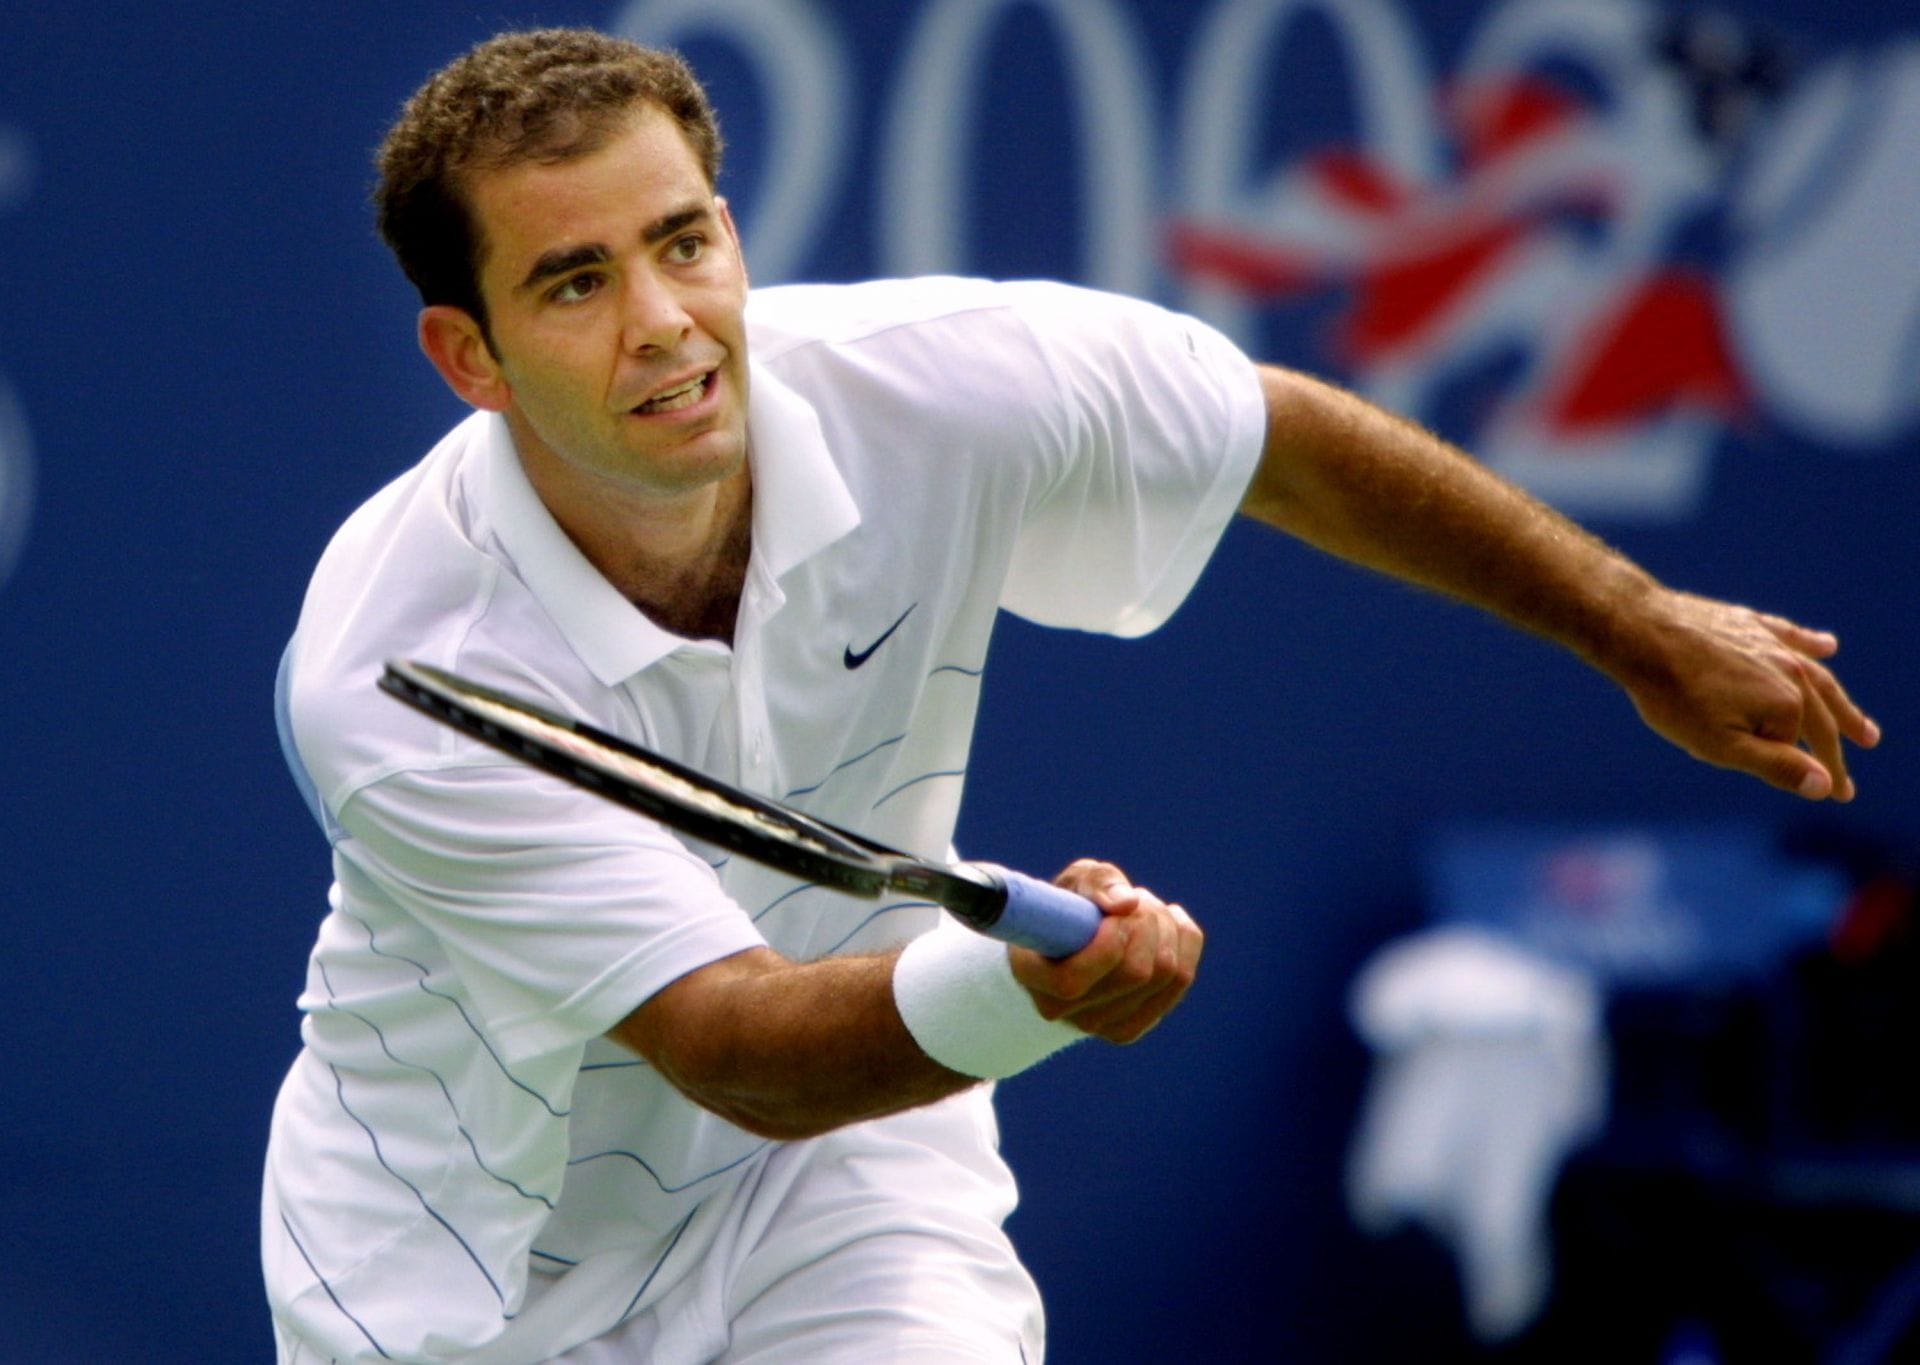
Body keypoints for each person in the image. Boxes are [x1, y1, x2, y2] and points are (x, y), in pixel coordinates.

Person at [263, 27, 1877, 1365]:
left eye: (686, 241)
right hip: (465, 1281)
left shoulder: (940, 382)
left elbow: (1280, 441)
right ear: (467, 357)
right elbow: (737, 1038)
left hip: (839, 1185)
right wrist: (1026, 992)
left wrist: (1640, 624)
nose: (666, 322)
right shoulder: (402, 667)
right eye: (575, 282)